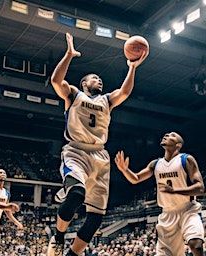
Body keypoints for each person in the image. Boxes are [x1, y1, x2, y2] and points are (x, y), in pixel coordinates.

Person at [47, 32, 148, 256]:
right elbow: (56, 81)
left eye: (100, 79)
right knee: (77, 194)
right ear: (83, 83)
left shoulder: (107, 100)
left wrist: (132, 67)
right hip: (76, 151)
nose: (99, 80)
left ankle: (72, 254)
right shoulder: (73, 95)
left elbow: (125, 92)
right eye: (93, 78)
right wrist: (69, 55)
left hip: (100, 157)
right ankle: (59, 237)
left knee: (96, 218)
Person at [114, 132, 205, 256]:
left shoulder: (186, 159)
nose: (167, 135)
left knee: (196, 245)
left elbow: (200, 188)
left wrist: (175, 191)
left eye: (172, 135)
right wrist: (125, 170)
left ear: (178, 145)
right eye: (166, 134)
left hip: (187, 209)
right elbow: (135, 179)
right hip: (167, 213)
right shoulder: (155, 164)